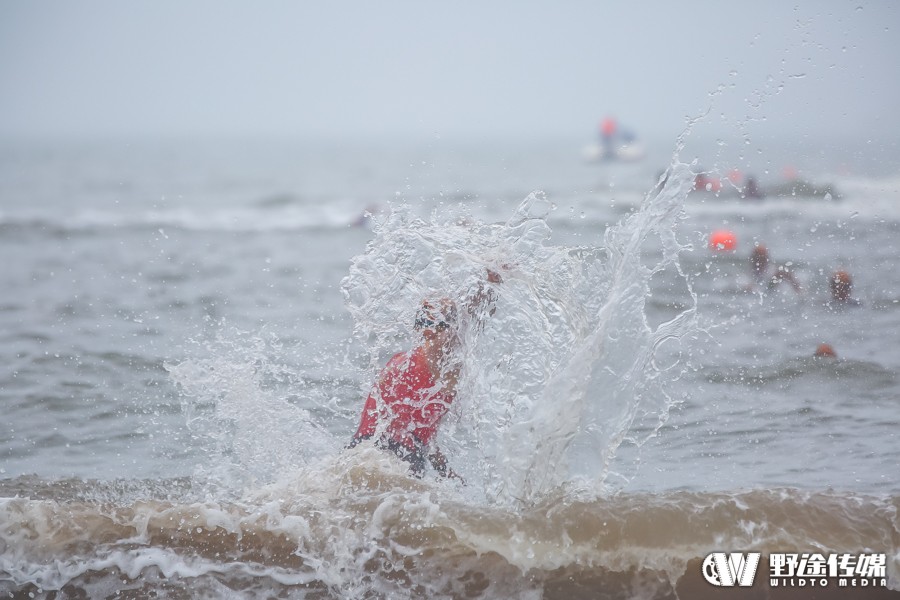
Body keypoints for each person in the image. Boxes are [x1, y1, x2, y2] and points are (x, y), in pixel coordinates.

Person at [348, 270, 502, 480]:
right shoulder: (436, 359)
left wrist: (445, 471)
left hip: (361, 453)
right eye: (450, 320)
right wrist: (489, 285)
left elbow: (422, 431)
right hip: (398, 455)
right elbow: (468, 318)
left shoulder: (402, 361)